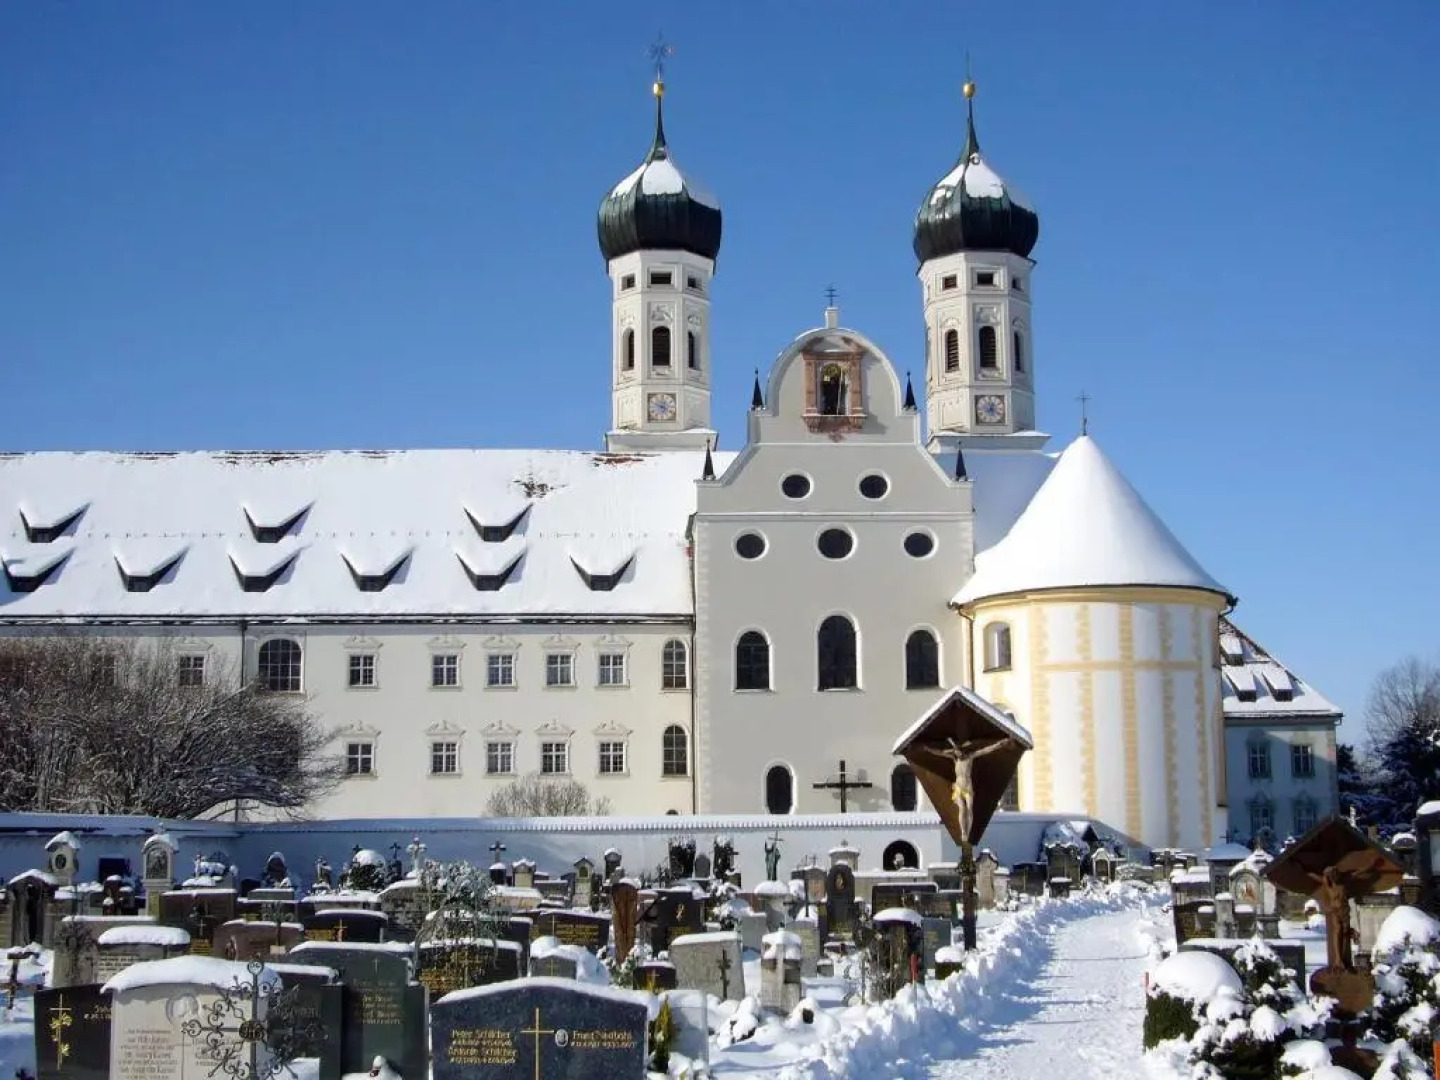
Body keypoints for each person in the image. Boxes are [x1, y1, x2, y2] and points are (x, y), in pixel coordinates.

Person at [934, 737, 1011, 844]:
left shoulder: (970, 757)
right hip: (958, 787)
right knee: (962, 808)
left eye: (958, 753)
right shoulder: (955, 759)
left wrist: (999, 744)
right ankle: (963, 832)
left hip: (968, 787)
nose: (958, 755)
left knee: (969, 809)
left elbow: (985, 750)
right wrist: (928, 749)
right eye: (956, 753)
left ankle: (968, 832)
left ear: (962, 751)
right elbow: (940, 753)